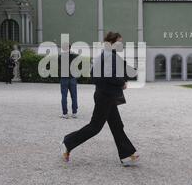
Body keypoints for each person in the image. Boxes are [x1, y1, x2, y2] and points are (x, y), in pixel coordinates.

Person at [60, 32, 139, 167]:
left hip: (105, 95)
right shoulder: (109, 57)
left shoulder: (105, 55)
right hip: (105, 97)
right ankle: (68, 143)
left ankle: (126, 154)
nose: (122, 45)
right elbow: (110, 77)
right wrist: (122, 83)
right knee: (95, 127)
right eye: (119, 42)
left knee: (117, 126)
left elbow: (95, 75)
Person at [58, 42, 78, 119]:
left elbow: (59, 67)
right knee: (74, 96)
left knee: (64, 96)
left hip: (64, 78)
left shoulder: (60, 57)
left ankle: (65, 113)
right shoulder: (74, 56)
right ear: (70, 48)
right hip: (72, 78)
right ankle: (74, 112)